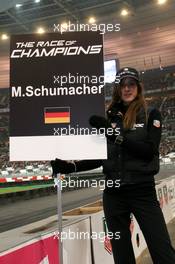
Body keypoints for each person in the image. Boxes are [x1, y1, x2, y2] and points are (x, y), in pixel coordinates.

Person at [51, 67, 175, 264]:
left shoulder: (151, 113)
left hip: (142, 191)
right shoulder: (109, 118)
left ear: (138, 87)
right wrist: (71, 167)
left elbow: (149, 151)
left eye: (131, 84)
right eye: (123, 85)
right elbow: (101, 157)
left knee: (162, 251)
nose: (127, 88)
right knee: (122, 255)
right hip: (113, 194)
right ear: (118, 89)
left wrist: (116, 137)